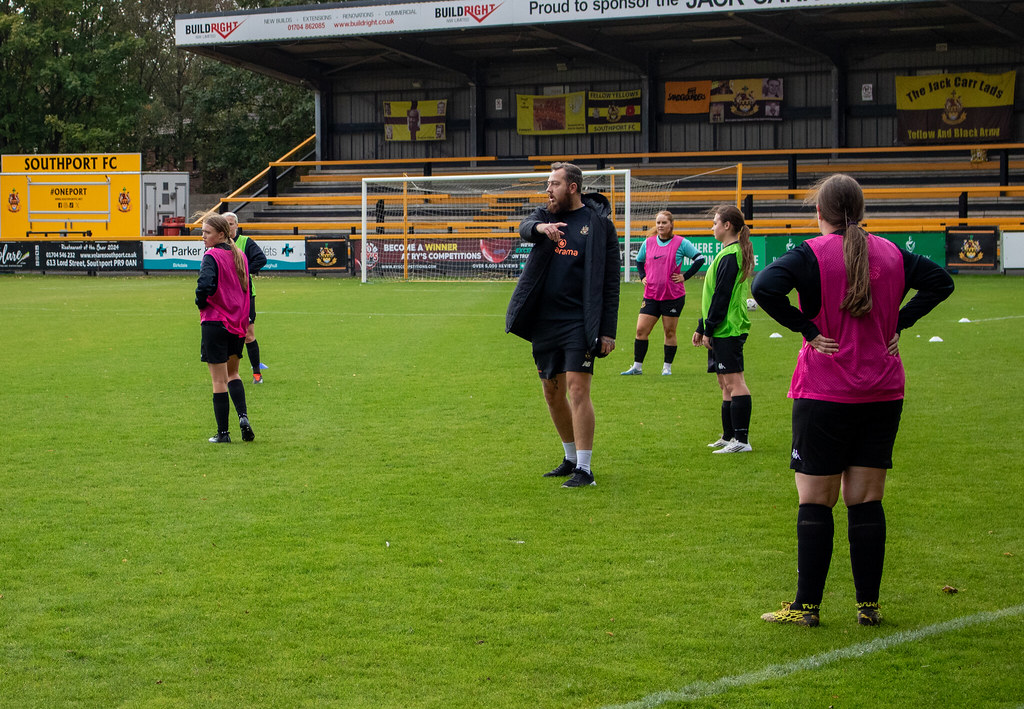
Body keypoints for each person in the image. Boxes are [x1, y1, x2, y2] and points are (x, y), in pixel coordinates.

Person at [751, 174, 954, 627]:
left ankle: (806, 608)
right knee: (866, 500)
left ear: (818, 213)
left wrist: (806, 329)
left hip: (824, 391)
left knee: (815, 501)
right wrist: (898, 324)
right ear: (861, 212)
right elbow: (941, 283)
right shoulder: (892, 253)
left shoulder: (811, 253)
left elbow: (763, 287)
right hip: (882, 391)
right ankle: (868, 606)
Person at [506, 162, 620, 488]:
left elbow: (610, 283)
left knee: (578, 389)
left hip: (579, 322)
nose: (548, 190)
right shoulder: (543, 216)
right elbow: (525, 226)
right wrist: (541, 230)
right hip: (545, 321)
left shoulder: (599, 225)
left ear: (572, 187)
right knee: (552, 393)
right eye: (547, 184)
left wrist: (608, 330)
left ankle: (585, 469)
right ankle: (570, 458)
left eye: (554, 184)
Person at [692, 205, 755, 454]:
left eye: (715, 222)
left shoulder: (732, 255)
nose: (713, 227)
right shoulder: (727, 253)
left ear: (727, 225)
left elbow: (723, 296)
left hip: (728, 328)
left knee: (735, 381)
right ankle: (729, 436)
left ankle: (742, 440)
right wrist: (702, 325)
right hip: (719, 327)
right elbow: (713, 296)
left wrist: (710, 328)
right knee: (724, 383)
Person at [622, 210, 705, 376]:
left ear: (671, 225)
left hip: (673, 296)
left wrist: (684, 276)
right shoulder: (649, 242)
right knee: (641, 330)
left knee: (669, 332)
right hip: (651, 295)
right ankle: (637, 367)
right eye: (658, 223)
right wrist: (643, 276)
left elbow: (700, 259)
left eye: (664, 223)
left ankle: (667, 368)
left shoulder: (681, 243)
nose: (660, 226)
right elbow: (639, 261)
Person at [195, 214, 255, 443]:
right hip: (236, 324)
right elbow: (246, 290)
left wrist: (200, 302)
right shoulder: (239, 256)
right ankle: (243, 417)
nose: (203, 237)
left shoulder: (211, 256)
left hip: (215, 322)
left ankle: (223, 434)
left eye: (207, 233)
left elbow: (205, 285)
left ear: (221, 234)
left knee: (218, 381)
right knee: (234, 374)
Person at [224, 212, 268, 384]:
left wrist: (243, 270)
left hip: (245, 293)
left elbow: (261, 259)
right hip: (226, 295)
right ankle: (228, 374)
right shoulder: (219, 244)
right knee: (227, 334)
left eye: (231, 223)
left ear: (236, 225)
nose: (228, 227)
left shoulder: (245, 242)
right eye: (225, 223)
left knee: (248, 334)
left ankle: (257, 374)